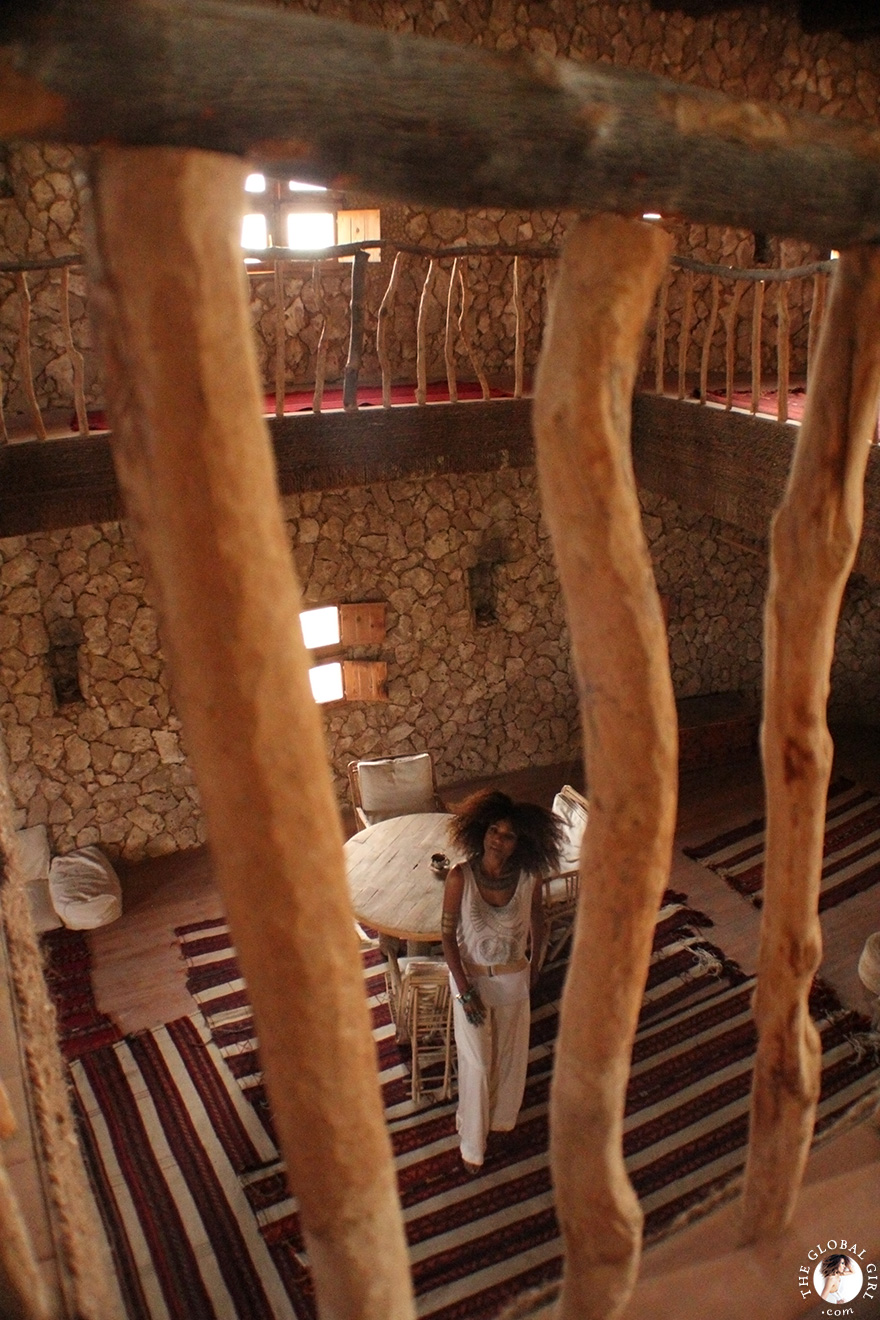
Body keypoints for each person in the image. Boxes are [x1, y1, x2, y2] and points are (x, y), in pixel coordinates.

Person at [441, 789, 563, 1175]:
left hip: (513, 980)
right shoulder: (460, 877)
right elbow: (446, 936)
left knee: (510, 1059)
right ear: (481, 830)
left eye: (507, 835)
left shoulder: (529, 878)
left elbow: (539, 919)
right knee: (477, 1063)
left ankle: (501, 1120)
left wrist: (536, 963)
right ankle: (472, 1145)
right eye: (493, 830)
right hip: (471, 983)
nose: (497, 839)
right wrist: (463, 990)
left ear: (519, 842)